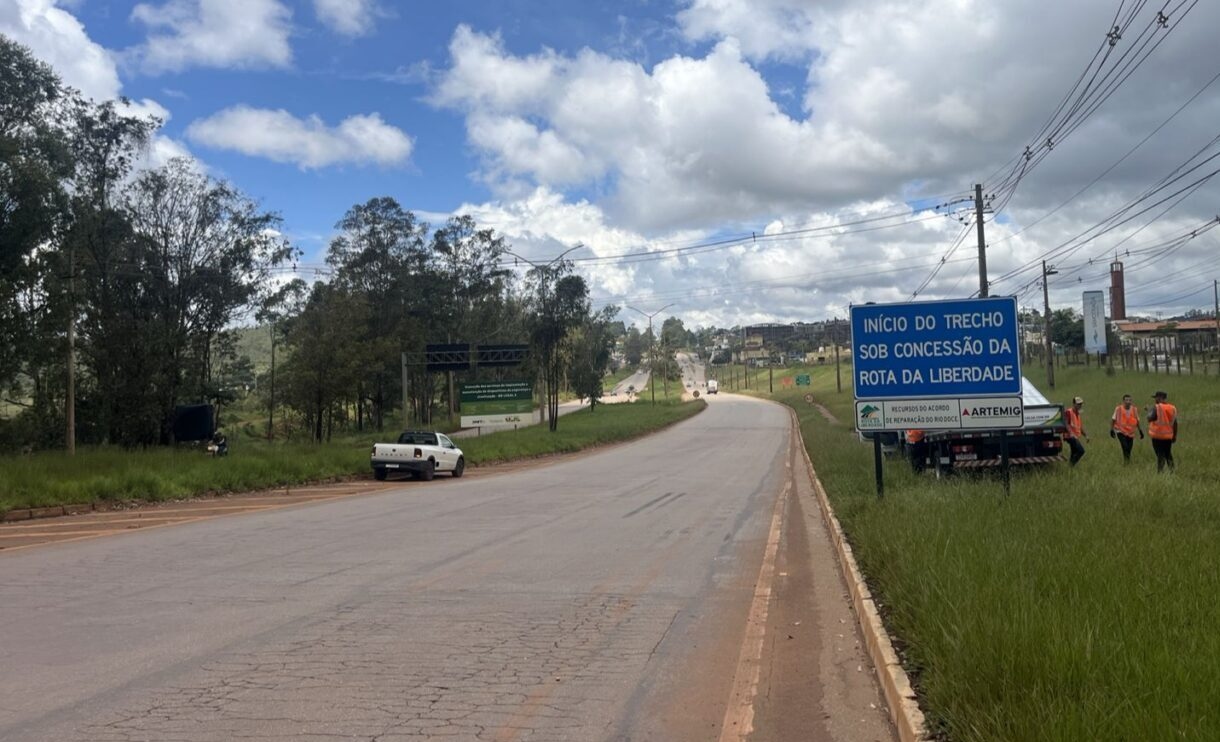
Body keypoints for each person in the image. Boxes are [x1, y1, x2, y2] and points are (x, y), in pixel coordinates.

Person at [1146, 390, 1178, 472]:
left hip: (1157, 436)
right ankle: (1172, 470)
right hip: (1168, 436)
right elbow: (1175, 423)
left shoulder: (1157, 407)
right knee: (1168, 453)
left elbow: (1150, 418)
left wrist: (1149, 410)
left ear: (1159, 398)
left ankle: (1160, 472)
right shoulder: (1172, 408)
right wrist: (1174, 436)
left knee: (1160, 454)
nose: (1155, 400)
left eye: (1155, 398)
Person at [1109, 394, 1144, 463]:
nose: (1128, 402)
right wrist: (1111, 430)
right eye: (1126, 400)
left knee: (1129, 449)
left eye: (1130, 400)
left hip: (1131, 432)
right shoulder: (1118, 409)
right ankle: (1126, 462)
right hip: (1120, 431)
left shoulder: (1134, 409)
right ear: (1123, 401)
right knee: (1125, 446)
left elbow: (1137, 421)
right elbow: (1113, 419)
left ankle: (1127, 461)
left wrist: (1140, 431)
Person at [1063, 396, 1087, 466]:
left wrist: (1086, 435)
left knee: (1073, 452)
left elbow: (1079, 427)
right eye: (1078, 404)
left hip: (1075, 436)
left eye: (1081, 404)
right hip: (1070, 436)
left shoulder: (1078, 414)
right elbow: (1066, 424)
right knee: (1081, 451)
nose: (1080, 405)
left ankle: (1070, 467)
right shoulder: (1069, 412)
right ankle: (1071, 465)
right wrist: (1070, 433)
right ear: (1074, 404)